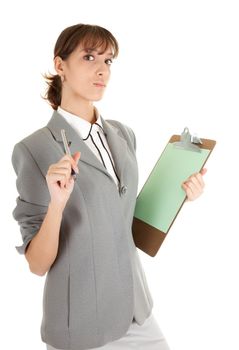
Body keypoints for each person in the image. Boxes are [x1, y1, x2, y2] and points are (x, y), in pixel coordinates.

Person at [11, 23, 206, 350]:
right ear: (60, 66)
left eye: (109, 60)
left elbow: (126, 221)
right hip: (82, 325)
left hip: (136, 309)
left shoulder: (123, 134)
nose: (102, 70)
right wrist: (57, 203)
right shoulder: (33, 150)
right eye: (89, 57)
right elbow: (37, 264)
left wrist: (180, 195)